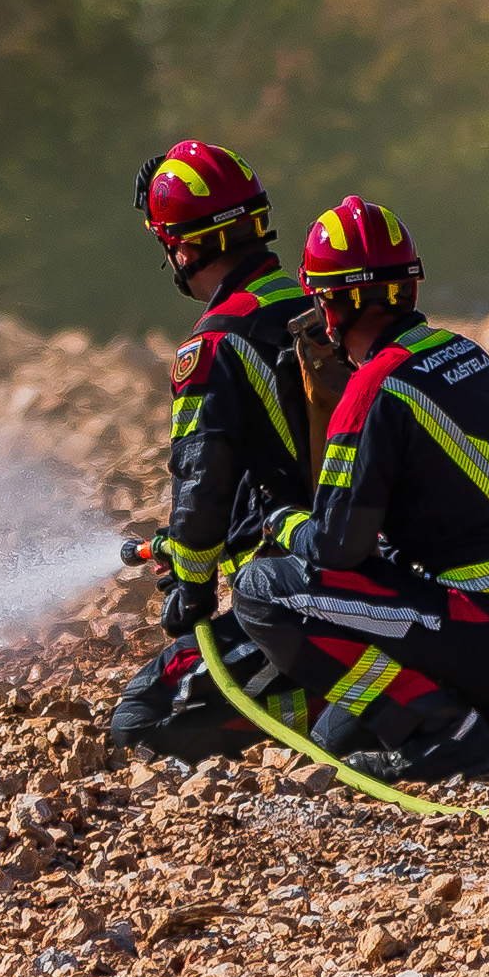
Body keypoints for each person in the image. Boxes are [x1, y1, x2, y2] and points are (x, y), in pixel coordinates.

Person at [229, 196, 489, 781]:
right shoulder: (460, 352)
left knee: (262, 591)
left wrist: (279, 518)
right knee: (337, 735)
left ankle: (448, 734)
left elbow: (336, 548)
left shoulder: (375, 390)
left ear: (331, 306)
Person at [108, 138, 325, 761]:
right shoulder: (315, 309)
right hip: (371, 574)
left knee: (143, 718)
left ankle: (331, 714)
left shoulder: (213, 344)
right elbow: (280, 460)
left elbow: (202, 481)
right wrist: (186, 543)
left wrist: (191, 586)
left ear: (182, 246)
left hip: (301, 596)